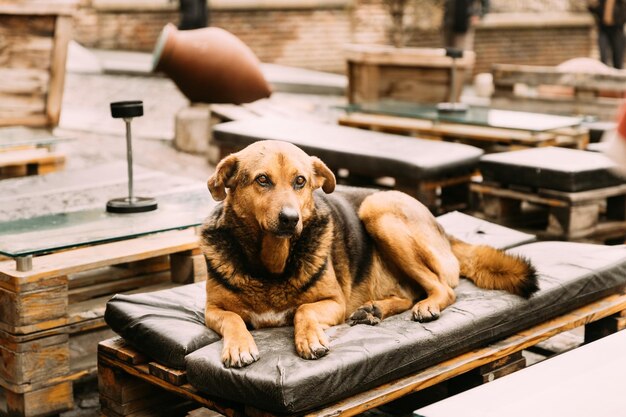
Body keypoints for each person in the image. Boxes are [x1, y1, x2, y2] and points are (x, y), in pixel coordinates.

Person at [588, 0, 626, 69]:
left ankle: (616, 77)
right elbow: (594, 10)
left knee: (618, 59)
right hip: (603, 30)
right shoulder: (601, 2)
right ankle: (605, 76)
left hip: (617, 31)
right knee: (603, 56)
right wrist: (592, 5)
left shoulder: (620, 2)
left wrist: (619, 22)